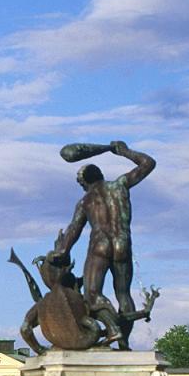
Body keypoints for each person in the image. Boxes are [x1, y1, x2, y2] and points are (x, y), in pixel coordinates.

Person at [53, 141, 155, 349]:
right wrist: (124, 152)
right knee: (123, 294)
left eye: (80, 183)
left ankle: (113, 329)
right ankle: (124, 343)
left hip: (100, 245)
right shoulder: (120, 185)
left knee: (91, 294)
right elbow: (148, 163)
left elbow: (75, 228)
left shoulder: (86, 201)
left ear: (85, 182)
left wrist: (63, 250)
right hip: (123, 243)